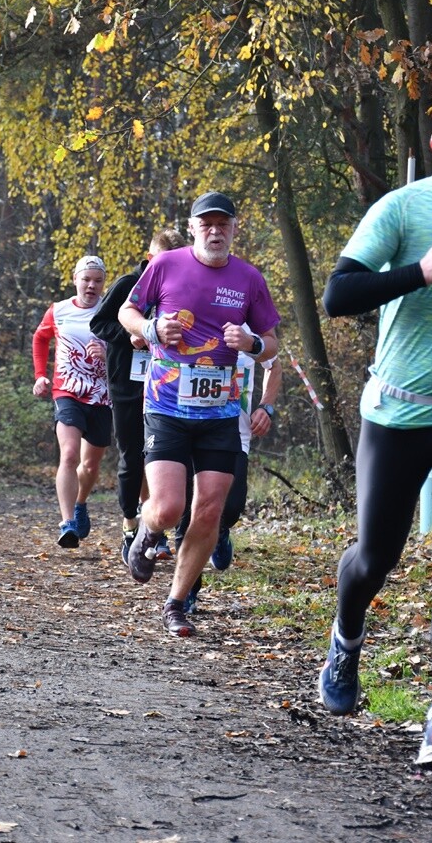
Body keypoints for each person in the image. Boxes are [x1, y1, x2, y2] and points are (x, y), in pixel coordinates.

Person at [318, 86, 432, 773]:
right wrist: (419, 273)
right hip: (398, 413)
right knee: (375, 557)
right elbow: (338, 296)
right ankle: (345, 636)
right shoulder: (402, 208)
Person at [118, 191, 280, 636]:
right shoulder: (166, 264)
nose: (215, 231)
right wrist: (152, 327)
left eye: (222, 224)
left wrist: (251, 344)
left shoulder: (249, 277)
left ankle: (176, 603)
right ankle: (149, 534)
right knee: (169, 508)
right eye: (206, 224)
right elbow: (127, 311)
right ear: (192, 228)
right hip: (167, 405)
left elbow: (271, 343)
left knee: (209, 510)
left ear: (234, 229)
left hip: (222, 412)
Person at [89, 228, 186, 565]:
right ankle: (130, 526)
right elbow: (99, 323)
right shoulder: (130, 283)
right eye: (164, 262)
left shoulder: (187, 285)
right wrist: (132, 335)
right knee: (132, 455)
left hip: (171, 384)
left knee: (165, 457)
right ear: (150, 258)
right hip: (129, 382)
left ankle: (158, 531)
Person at [176, 345, 283, 613]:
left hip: (234, 432)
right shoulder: (191, 321)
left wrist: (265, 407)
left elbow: (274, 365)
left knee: (231, 507)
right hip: (187, 428)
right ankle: (187, 591)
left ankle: (221, 529)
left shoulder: (248, 327)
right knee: (187, 513)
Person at [32, 254, 112, 548]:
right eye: (86, 279)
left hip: (103, 396)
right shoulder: (60, 310)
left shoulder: (114, 311)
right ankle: (66, 523)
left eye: (97, 281)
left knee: (90, 466)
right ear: (75, 279)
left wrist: (108, 354)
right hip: (67, 391)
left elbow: (130, 346)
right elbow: (40, 338)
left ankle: (80, 503)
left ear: (104, 283)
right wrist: (40, 375)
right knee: (69, 455)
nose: (91, 286)